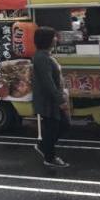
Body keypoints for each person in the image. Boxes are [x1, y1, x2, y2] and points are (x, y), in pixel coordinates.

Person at [32, 26, 70, 168]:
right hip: (48, 101)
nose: (56, 39)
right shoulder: (42, 57)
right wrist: (60, 101)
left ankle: (44, 147)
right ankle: (49, 157)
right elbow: (48, 82)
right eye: (54, 36)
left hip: (52, 99)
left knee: (61, 126)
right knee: (55, 127)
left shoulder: (45, 55)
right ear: (47, 39)